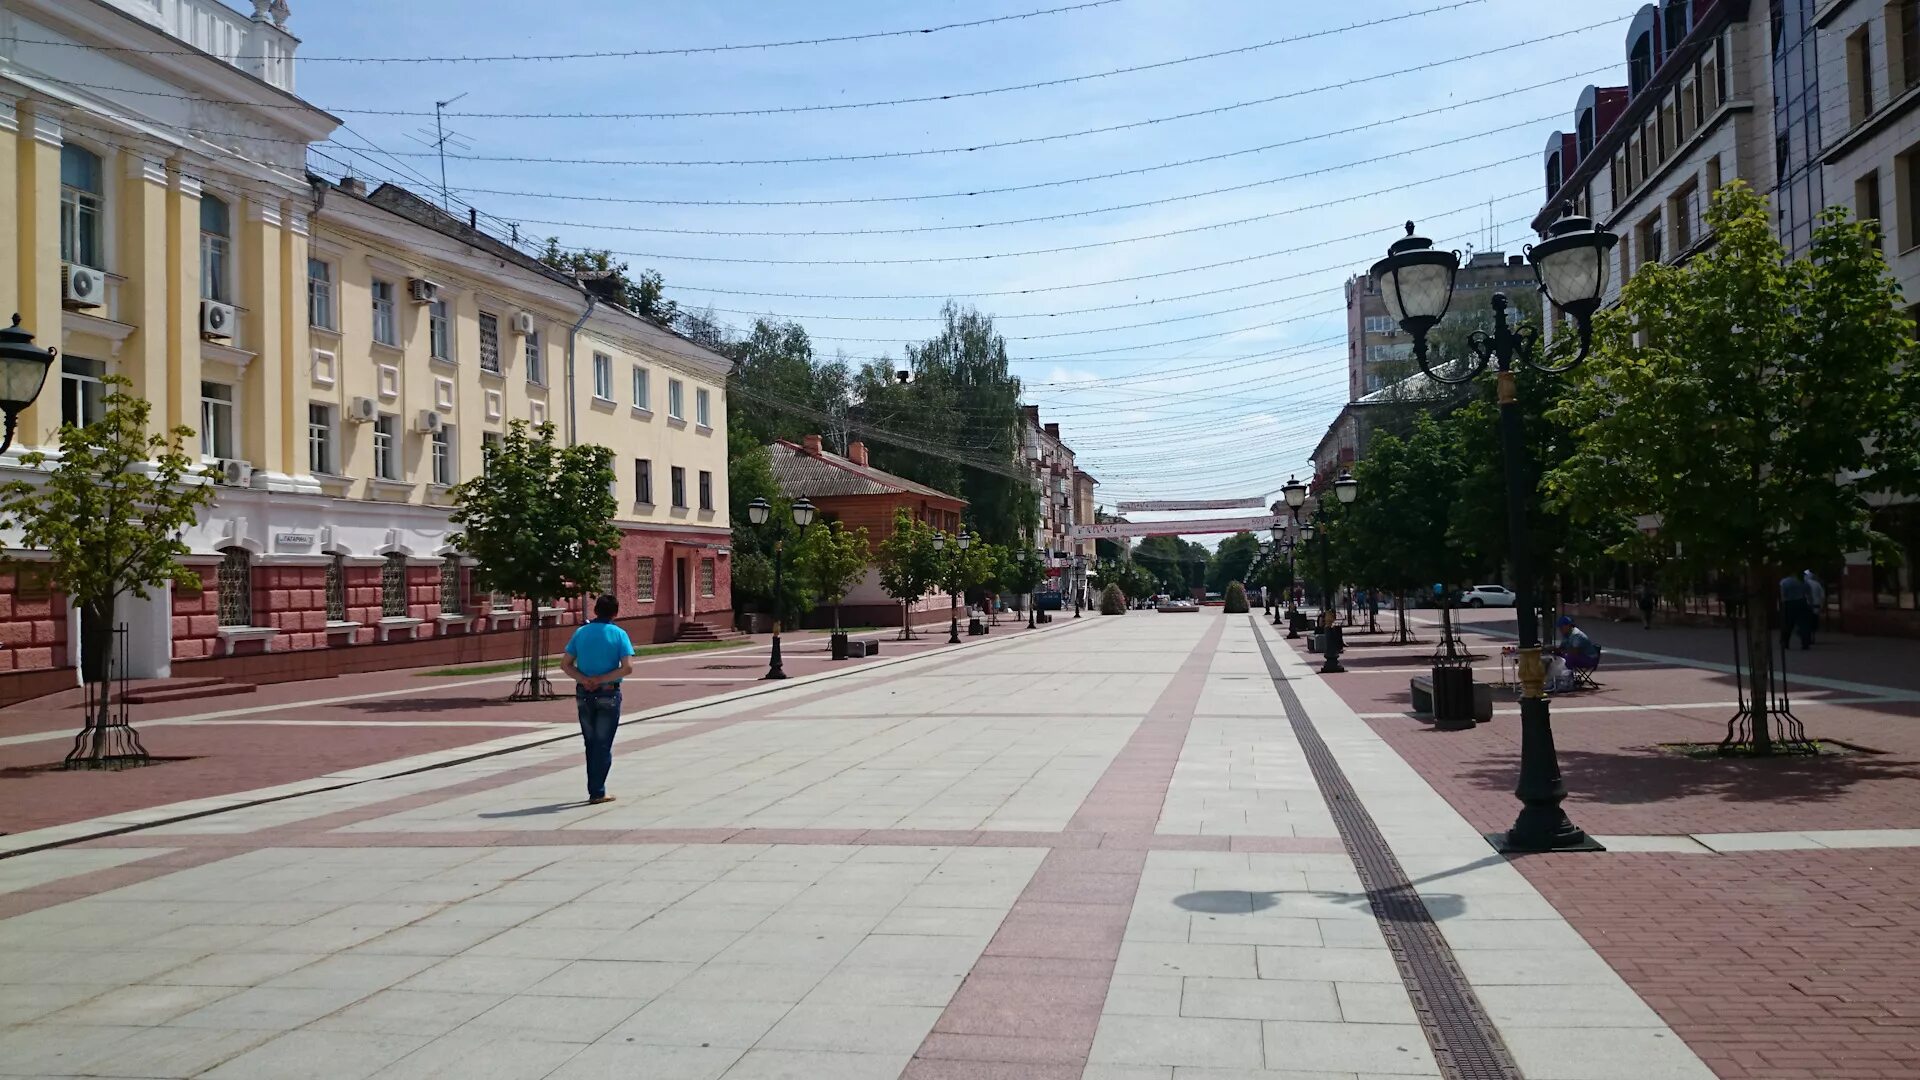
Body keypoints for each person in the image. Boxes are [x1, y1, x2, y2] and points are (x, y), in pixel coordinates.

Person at [560, 594, 635, 804]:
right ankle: (597, 791)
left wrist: (584, 679)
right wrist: (601, 679)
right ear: (615, 612)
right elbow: (627, 667)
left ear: (595, 611)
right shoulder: (619, 634)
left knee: (590, 742)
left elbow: (565, 664)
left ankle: (595, 788)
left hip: (584, 693)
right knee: (603, 744)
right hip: (608, 692)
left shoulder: (581, 633)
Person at [1778, 571, 1811, 652]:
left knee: (1787, 623)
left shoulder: (1784, 582)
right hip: (1801, 602)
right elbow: (1808, 592)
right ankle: (1805, 643)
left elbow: (1783, 594)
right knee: (1803, 623)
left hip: (1789, 603)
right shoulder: (1803, 581)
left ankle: (1785, 642)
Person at [1801, 570, 1825, 649]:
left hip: (1806, 606)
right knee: (1814, 621)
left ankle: (1807, 638)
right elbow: (1822, 596)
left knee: (1806, 622)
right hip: (1816, 605)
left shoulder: (1804, 584)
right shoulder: (1817, 584)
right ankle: (1812, 637)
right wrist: (1822, 605)